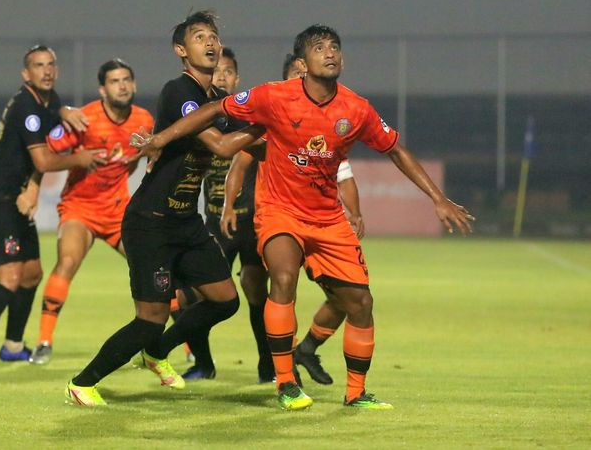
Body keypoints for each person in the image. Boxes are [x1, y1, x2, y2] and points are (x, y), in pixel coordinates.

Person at [134, 24, 474, 411]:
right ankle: (285, 383)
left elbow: (396, 150)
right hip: (279, 211)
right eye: (319, 47)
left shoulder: (356, 109)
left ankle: (356, 393)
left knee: (360, 301)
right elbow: (215, 109)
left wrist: (438, 198)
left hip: (327, 217)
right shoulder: (274, 97)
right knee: (282, 277)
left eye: (335, 47)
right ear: (302, 62)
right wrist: (161, 138)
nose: (329, 52)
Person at [64, 11, 264, 407]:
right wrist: (266, 126)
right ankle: (82, 382)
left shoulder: (213, 100)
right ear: (181, 50)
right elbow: (224, 146)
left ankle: (158, 352)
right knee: (150, 319)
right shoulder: (180, 92)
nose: (210, 43)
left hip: (186, 222)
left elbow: (246, 143)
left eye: (213, 36)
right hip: (151, 223)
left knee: (225, 300)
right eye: (199, 37)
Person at [220, 52, 361, 386]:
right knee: (271, 286)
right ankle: (277, 371)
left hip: (321, 223)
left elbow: (343, 173)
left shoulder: (328, 124)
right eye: (298, 74)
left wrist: (354, 213)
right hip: (277, 219)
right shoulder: (273, 117)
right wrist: (228, 205)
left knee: (348, 297)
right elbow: (239, 161)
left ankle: (306, 348)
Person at [0, 45, 104, 365]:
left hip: (16, 201)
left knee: (32, 275)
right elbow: (42, 158)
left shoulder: (46, 101)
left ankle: (13, 346)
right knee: (10, 277)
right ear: (26, 74)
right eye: (39, 66)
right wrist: (78, 159)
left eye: (51, 64)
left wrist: (65, 109)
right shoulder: (27, 107)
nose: (47, 70)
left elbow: (55, 108)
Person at [29, 58, 154, 365]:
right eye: (114, 81)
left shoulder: (144, 119)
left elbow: (141, 155)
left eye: (126, 79)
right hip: (79, 209)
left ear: (134, 84)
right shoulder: (84, 119)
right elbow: (45, 156)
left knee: (152, 269)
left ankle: (172, 348)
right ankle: (44, 342)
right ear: (102, 89)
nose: (122, 85)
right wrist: (77, 159)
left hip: (117, 211)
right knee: (68, 261)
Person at [174, 46, 274, 383]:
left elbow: (252, 160)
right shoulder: (202, 118)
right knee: (187, 295)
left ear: (237, 78)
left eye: (228, 72)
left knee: (257, 292)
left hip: (252, 222)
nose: (221, 76)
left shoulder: (251, 119)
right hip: (215, 222)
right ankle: (203, 363)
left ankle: (267, 366)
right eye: (217, 72)